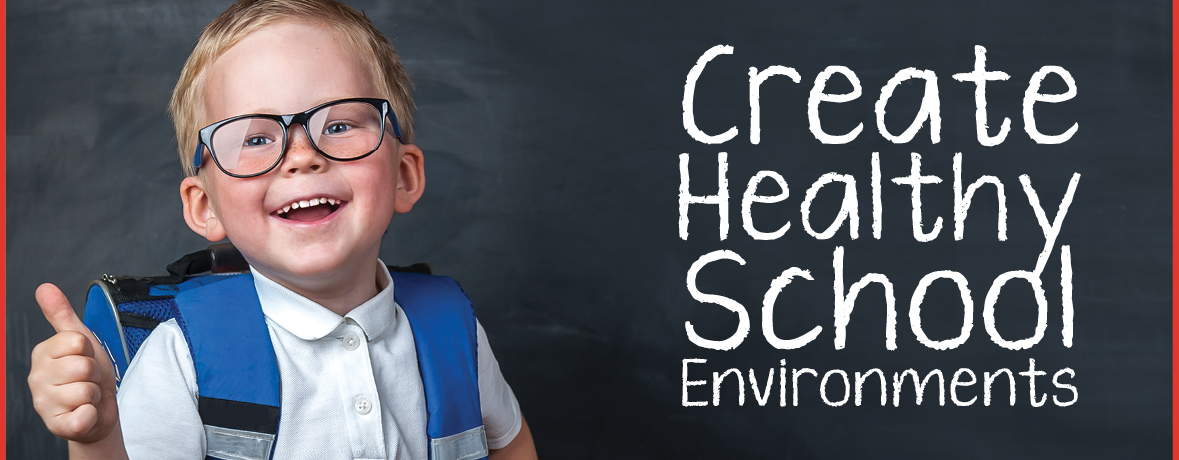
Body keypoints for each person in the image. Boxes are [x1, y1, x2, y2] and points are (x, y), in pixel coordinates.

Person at [26, 1, 537, 458]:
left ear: (404, 176)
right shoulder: (181, 354)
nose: (301, 156)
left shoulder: (454, 329)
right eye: (254, 138)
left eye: (338, 125)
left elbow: (509, 441)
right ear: (205, 207)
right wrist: (94, 441)